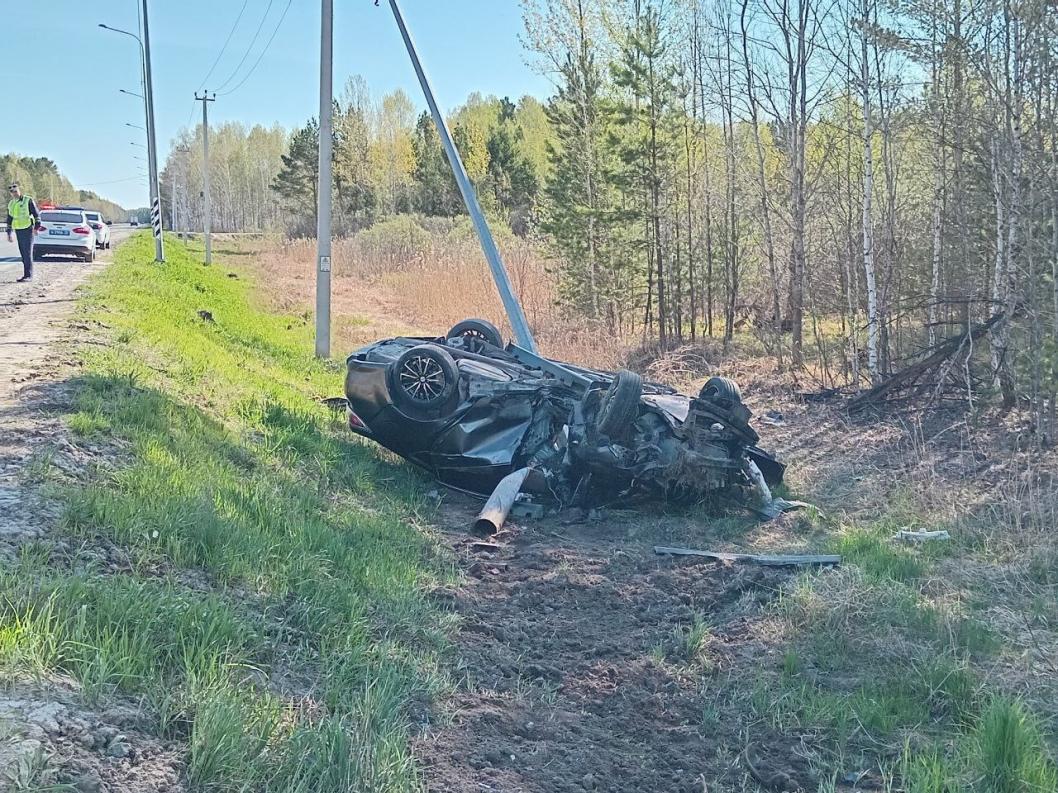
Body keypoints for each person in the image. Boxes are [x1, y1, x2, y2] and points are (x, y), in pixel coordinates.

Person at [6, 183, 40, 282]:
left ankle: (29, 275)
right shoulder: (11, 203)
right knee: (23, 253)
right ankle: (26, 275)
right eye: (12, 192)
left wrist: (36, 228)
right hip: (19, 230)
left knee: (27, 252)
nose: (14, 193)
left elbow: (36, 215)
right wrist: (9, 233)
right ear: (10, 193)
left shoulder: (28, 200)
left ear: (19, 190)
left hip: (28, 229)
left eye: (16, 191)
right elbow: (9, 219)